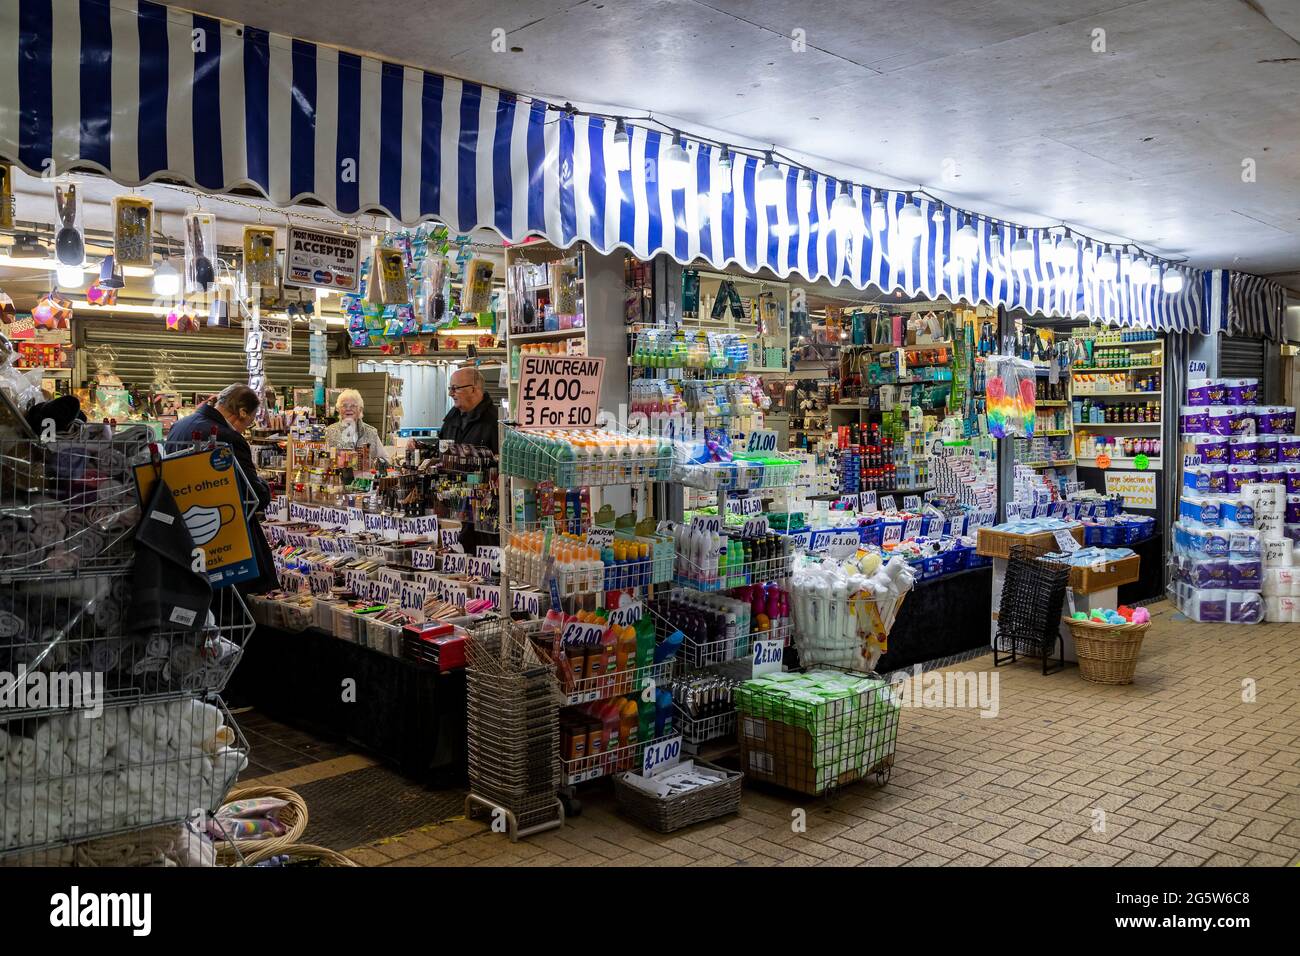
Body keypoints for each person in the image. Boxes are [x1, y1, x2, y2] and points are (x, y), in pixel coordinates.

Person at [166, 383, 278, 593]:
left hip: (184, 534)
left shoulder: (180, 426)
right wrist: (264, 485)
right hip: (225, 543)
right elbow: (253, 494)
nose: (248, 427)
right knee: (231, 610)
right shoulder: (228, 437)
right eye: (251, 421)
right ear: (242, 413)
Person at [438, 367, 498, 452]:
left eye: (455, 388)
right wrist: (420, 446)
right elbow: (440, 450)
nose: (450, 394)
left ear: (472, 389)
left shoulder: (495, 421)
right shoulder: (451, 419)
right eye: (450, 388)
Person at [324, 388, 385, 462]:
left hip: (365, 473)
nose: (348, 409)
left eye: (353, 406)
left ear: (360, 409)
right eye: (344, 406)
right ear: (338, 409)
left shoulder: (371, 432)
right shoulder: (329, 432)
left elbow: (384, 459)